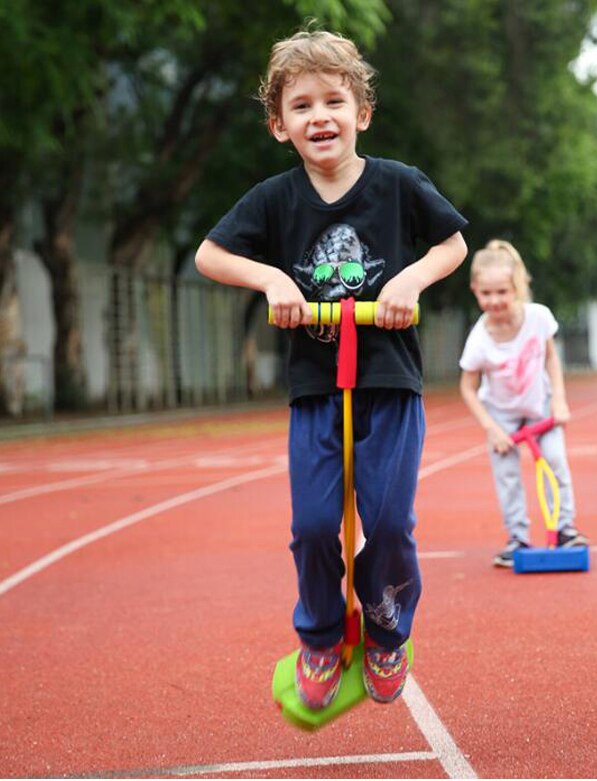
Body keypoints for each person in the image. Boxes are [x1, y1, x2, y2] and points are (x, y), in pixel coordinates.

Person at [195, 30, 468, 709]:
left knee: (388, 518)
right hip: (316, 388)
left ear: (362, 113)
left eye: (334, 101)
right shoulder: (274, 199)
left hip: (389, 382)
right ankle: (319, 634)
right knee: (315, 525)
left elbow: (452, 244)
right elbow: (209, 255)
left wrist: (406, 282)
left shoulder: (399, 185)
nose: (320, 116)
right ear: (279, 126)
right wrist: (270, 282)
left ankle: (383, 631)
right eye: (301, 106)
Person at [458, 240, 587, 568]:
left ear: (517, 286)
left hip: (539, 404)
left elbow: (551, 359)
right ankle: (517, 535)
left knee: (555, 460)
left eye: (502, 291)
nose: (495, 300)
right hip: (501, 413)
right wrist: (492, 430)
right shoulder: (479, 339)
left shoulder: (538, 317)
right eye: (486, 294)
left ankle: (565, 528)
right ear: (475, 290)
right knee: (507, 475)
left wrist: (558, 400)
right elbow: (468, 388)